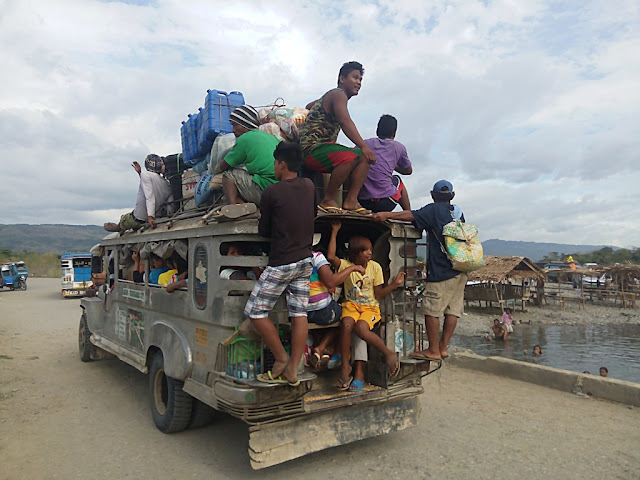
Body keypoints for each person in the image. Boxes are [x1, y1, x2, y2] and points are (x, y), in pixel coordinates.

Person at [243, 142, 316, 386]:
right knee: (299, 313)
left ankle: (281, 358)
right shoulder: (309, 186)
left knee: (255, 310)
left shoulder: (271, 192)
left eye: (275, 163)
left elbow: (264, 231)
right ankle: (293, 369)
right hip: (306, 260)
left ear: (282, 164)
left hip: (283, 261)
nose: (274, 167)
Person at [374, 179, 466, 362]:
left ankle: (432, 350)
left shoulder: (434, 209)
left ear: (433, 196)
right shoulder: (458, 212)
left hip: (441, 271)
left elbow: (411, 215)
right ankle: (443, 348)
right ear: (452, 196)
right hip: (461, 268)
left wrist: (385, 214)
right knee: (452, 310)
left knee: (431, 310)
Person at [327, 222, 404, 392]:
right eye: (365, 250)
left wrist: (395, 284)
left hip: (370, 308)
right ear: (355, 254)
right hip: (351, 306)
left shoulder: (375, 267)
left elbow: (378, 294)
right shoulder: (346, 265)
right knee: (347, 324)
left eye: (370, 249)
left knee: (361, 328)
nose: (370, 252)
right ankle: (345, 367)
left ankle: (388, 353)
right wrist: (334, 232)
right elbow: (331, 256)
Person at [298, 61, 376, 214]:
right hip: (311, 149)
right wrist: (364, 146)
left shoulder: (332, 96)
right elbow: (345, 121)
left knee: (363, 157)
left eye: (360, 79)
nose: (358, 82)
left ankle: (351, 201)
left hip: (323, 150)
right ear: (342, 78)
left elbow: (309, 106)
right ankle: (327, 200)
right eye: (355, 77)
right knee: (353, 155)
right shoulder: (338, 94)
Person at [307, 248, 366, 368]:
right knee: (345, 317)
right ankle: (322, 347)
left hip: (301, 312)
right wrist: (353, 268)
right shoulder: (316, 257)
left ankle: (326, 350)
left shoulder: (291, 257)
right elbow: (330, 282)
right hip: (321, 310)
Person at [213, 105, 279, 206]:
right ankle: (243, 204)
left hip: (265, 191)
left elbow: (223, 166)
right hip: (281, 191)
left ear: (245, 124)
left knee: (229, 174)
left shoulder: (244, 139)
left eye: (235, 125)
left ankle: (233, 207)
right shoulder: (270, 136)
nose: (233, 130)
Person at [104, 154, 174, 232]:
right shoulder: (167, 184)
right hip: (157, 216)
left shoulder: (146, 175)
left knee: (125, 219)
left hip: (139, 218)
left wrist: (150, 216)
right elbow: (169, 204)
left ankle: (119, 227)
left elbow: (149, 196)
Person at [358, 114, 412, 213]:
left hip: (361, 201)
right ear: (394, 133)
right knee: (397, 179)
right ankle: (408, 213)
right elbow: (408, 171)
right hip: (386, 202)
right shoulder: (399, 147)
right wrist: (394, 165)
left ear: (377, 130)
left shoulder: (364, 144)